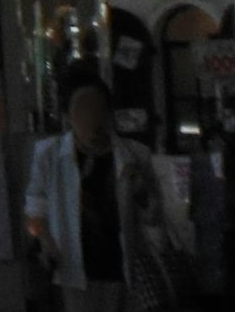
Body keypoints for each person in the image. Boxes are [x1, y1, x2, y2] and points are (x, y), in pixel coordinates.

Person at [24, 70, 174, 312]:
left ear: (108, 113)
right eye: (81, 110)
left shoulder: (134, 154)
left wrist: (140, 189)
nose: (91, 118)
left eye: (98, 109)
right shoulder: (49, 155)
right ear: (68, 117)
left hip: (122, 268)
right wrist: (46, 241)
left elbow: (153, 216)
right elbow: (35, 207)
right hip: (73, 268)